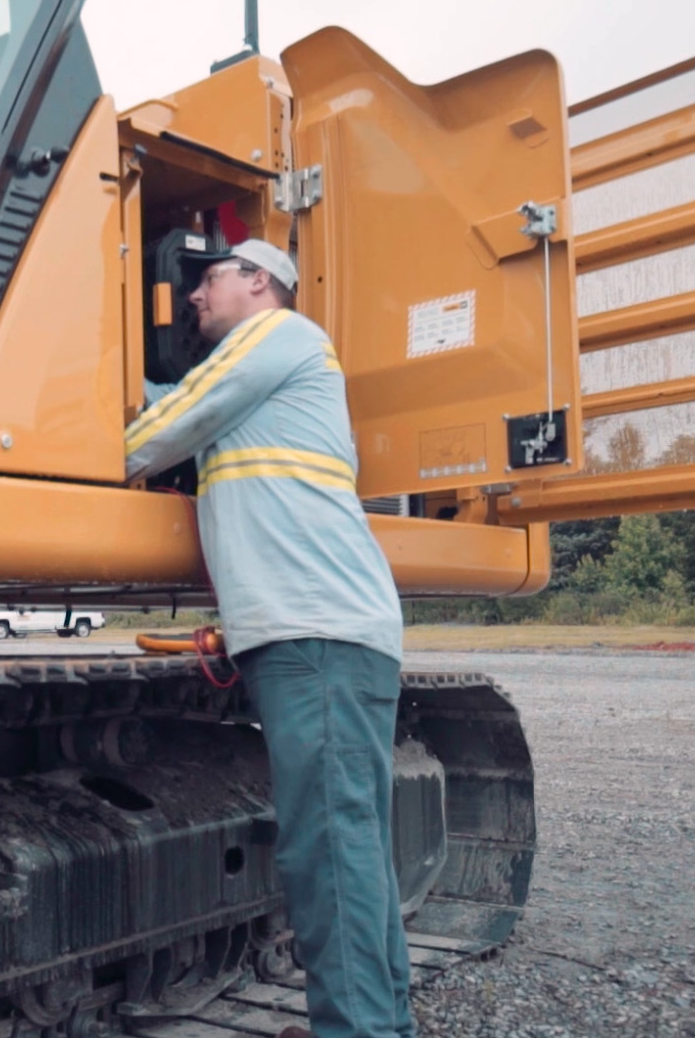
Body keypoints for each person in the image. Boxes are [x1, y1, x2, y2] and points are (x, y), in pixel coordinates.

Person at [125, 238, 411, 1038]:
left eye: (205, 279)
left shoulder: (278, 336)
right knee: (348, 847)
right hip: (319, 628)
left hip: (315, 630)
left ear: (258, 281)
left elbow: (162, 423)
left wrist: (57, 450)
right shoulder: (269, 372)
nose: (190, 297)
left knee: (326, 852)